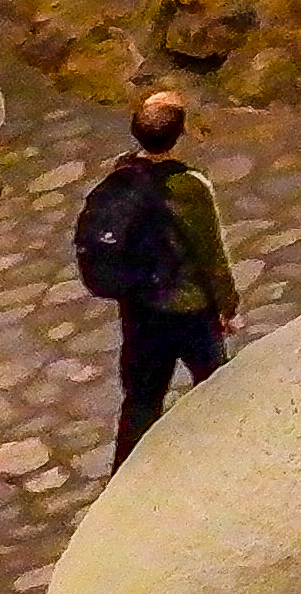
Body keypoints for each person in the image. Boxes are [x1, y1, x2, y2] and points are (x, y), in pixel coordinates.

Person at [83, 90, 238, 459]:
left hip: (139, 310)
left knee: (140, 401)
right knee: (217, 386)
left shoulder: (121, 177)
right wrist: (226, 303)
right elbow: (209, 251)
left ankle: (122, 481)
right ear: (179, 134)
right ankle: (227, 458)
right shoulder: (190, 187)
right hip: (189, 310)